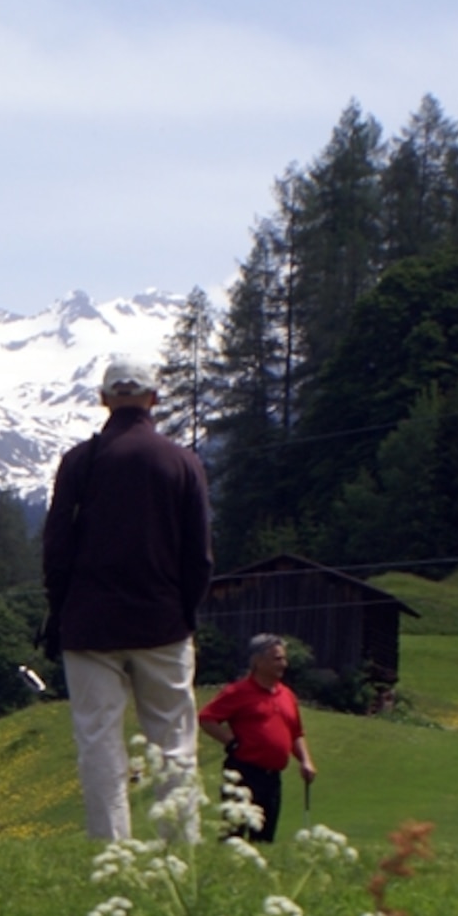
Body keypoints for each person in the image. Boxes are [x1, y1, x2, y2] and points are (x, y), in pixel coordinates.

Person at [41, 358, 213, 842]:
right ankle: (180, 849)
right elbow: (199, 556)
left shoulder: (79, 462)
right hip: (162, 623)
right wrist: (184, 613)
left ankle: (111, 848)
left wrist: (62, 609)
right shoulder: (182, 462)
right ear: (154, 400)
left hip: (90, 625)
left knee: (98, 740)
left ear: (104, 401)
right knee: (173, 741)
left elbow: (56, 549)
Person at [200, 633, 317, 842]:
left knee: (264, 837)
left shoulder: (286, 695)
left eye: (283, 658)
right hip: (243, 772)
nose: (284, 664)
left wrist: (305, 761)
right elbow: (207, 719)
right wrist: (231, 741)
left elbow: (296, 733)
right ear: (257, 661)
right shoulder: (238, 691)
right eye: (277, 659)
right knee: (233, 834)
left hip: (272, 777)